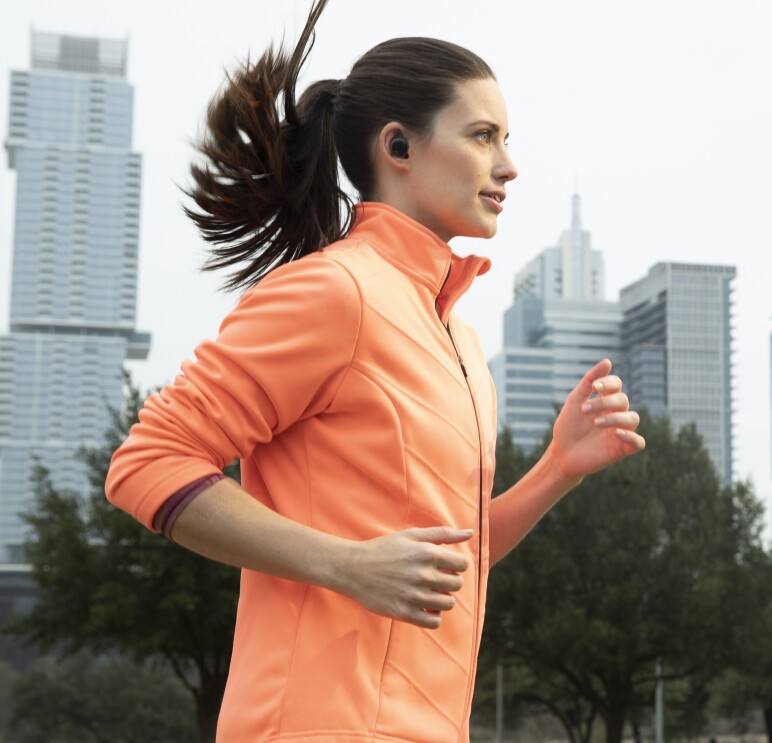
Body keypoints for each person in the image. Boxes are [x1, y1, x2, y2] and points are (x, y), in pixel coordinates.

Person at [104, 2, 645, 741]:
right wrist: (344, 564)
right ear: (398, 145)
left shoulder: (455, 334)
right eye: (483, 136)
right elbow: (148, 462)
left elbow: (448, 558)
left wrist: (557, 468)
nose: (509, 166)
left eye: (506, 140)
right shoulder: (335, 292)